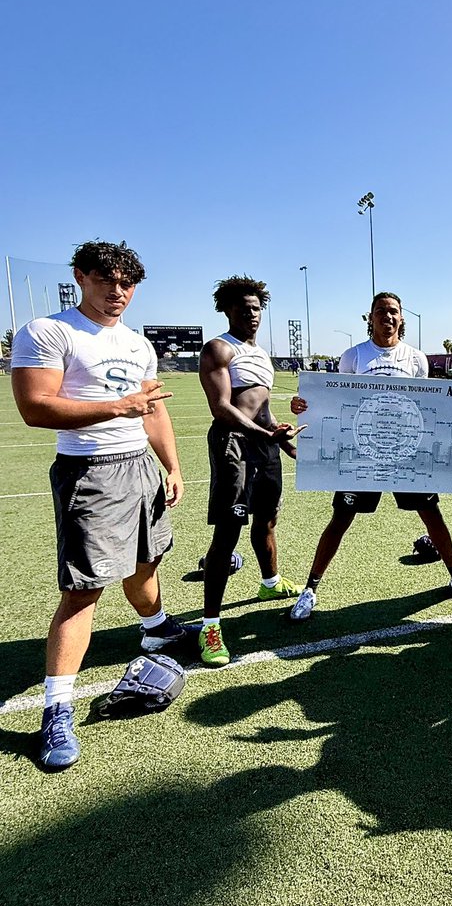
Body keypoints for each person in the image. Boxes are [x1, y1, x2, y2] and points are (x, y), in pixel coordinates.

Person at [11, 240, 186, 769]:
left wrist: (171, 464)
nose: (118, 292)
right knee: (84, 590)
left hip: (140, 467)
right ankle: (56, 711)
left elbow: (152, 410)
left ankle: (156, 629)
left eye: (127, 283)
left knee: (147, 559)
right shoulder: (49, 331)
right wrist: (119, 406)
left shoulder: (137, 343)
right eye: (107, 280)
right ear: (81, 277)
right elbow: (35, 408)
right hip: (90, 471)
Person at [288, 291, 452, 618]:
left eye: (393, 312)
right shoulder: (353, 356)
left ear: (401, 318)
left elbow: (430, 405)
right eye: (381, 312)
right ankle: (310, 588)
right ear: (371, 317)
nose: (387, 317)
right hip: (364, 452)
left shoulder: (416, 358)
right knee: (340, 518)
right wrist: (305, 406)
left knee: (431, 513)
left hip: (406, 452)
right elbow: (334, 400)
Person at [197, 276, 303, 666]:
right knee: (228, 533)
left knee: (268, 519)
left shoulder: (262, 355)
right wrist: (264, 435)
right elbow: (223, 408)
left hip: (262, 445)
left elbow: (263, 409)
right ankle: (210, 626)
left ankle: (270, 584)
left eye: (257, 307)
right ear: (227, 309)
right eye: (243, 308)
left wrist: (282, 439)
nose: (251, 314)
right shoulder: (218, 349)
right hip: (233, 446)